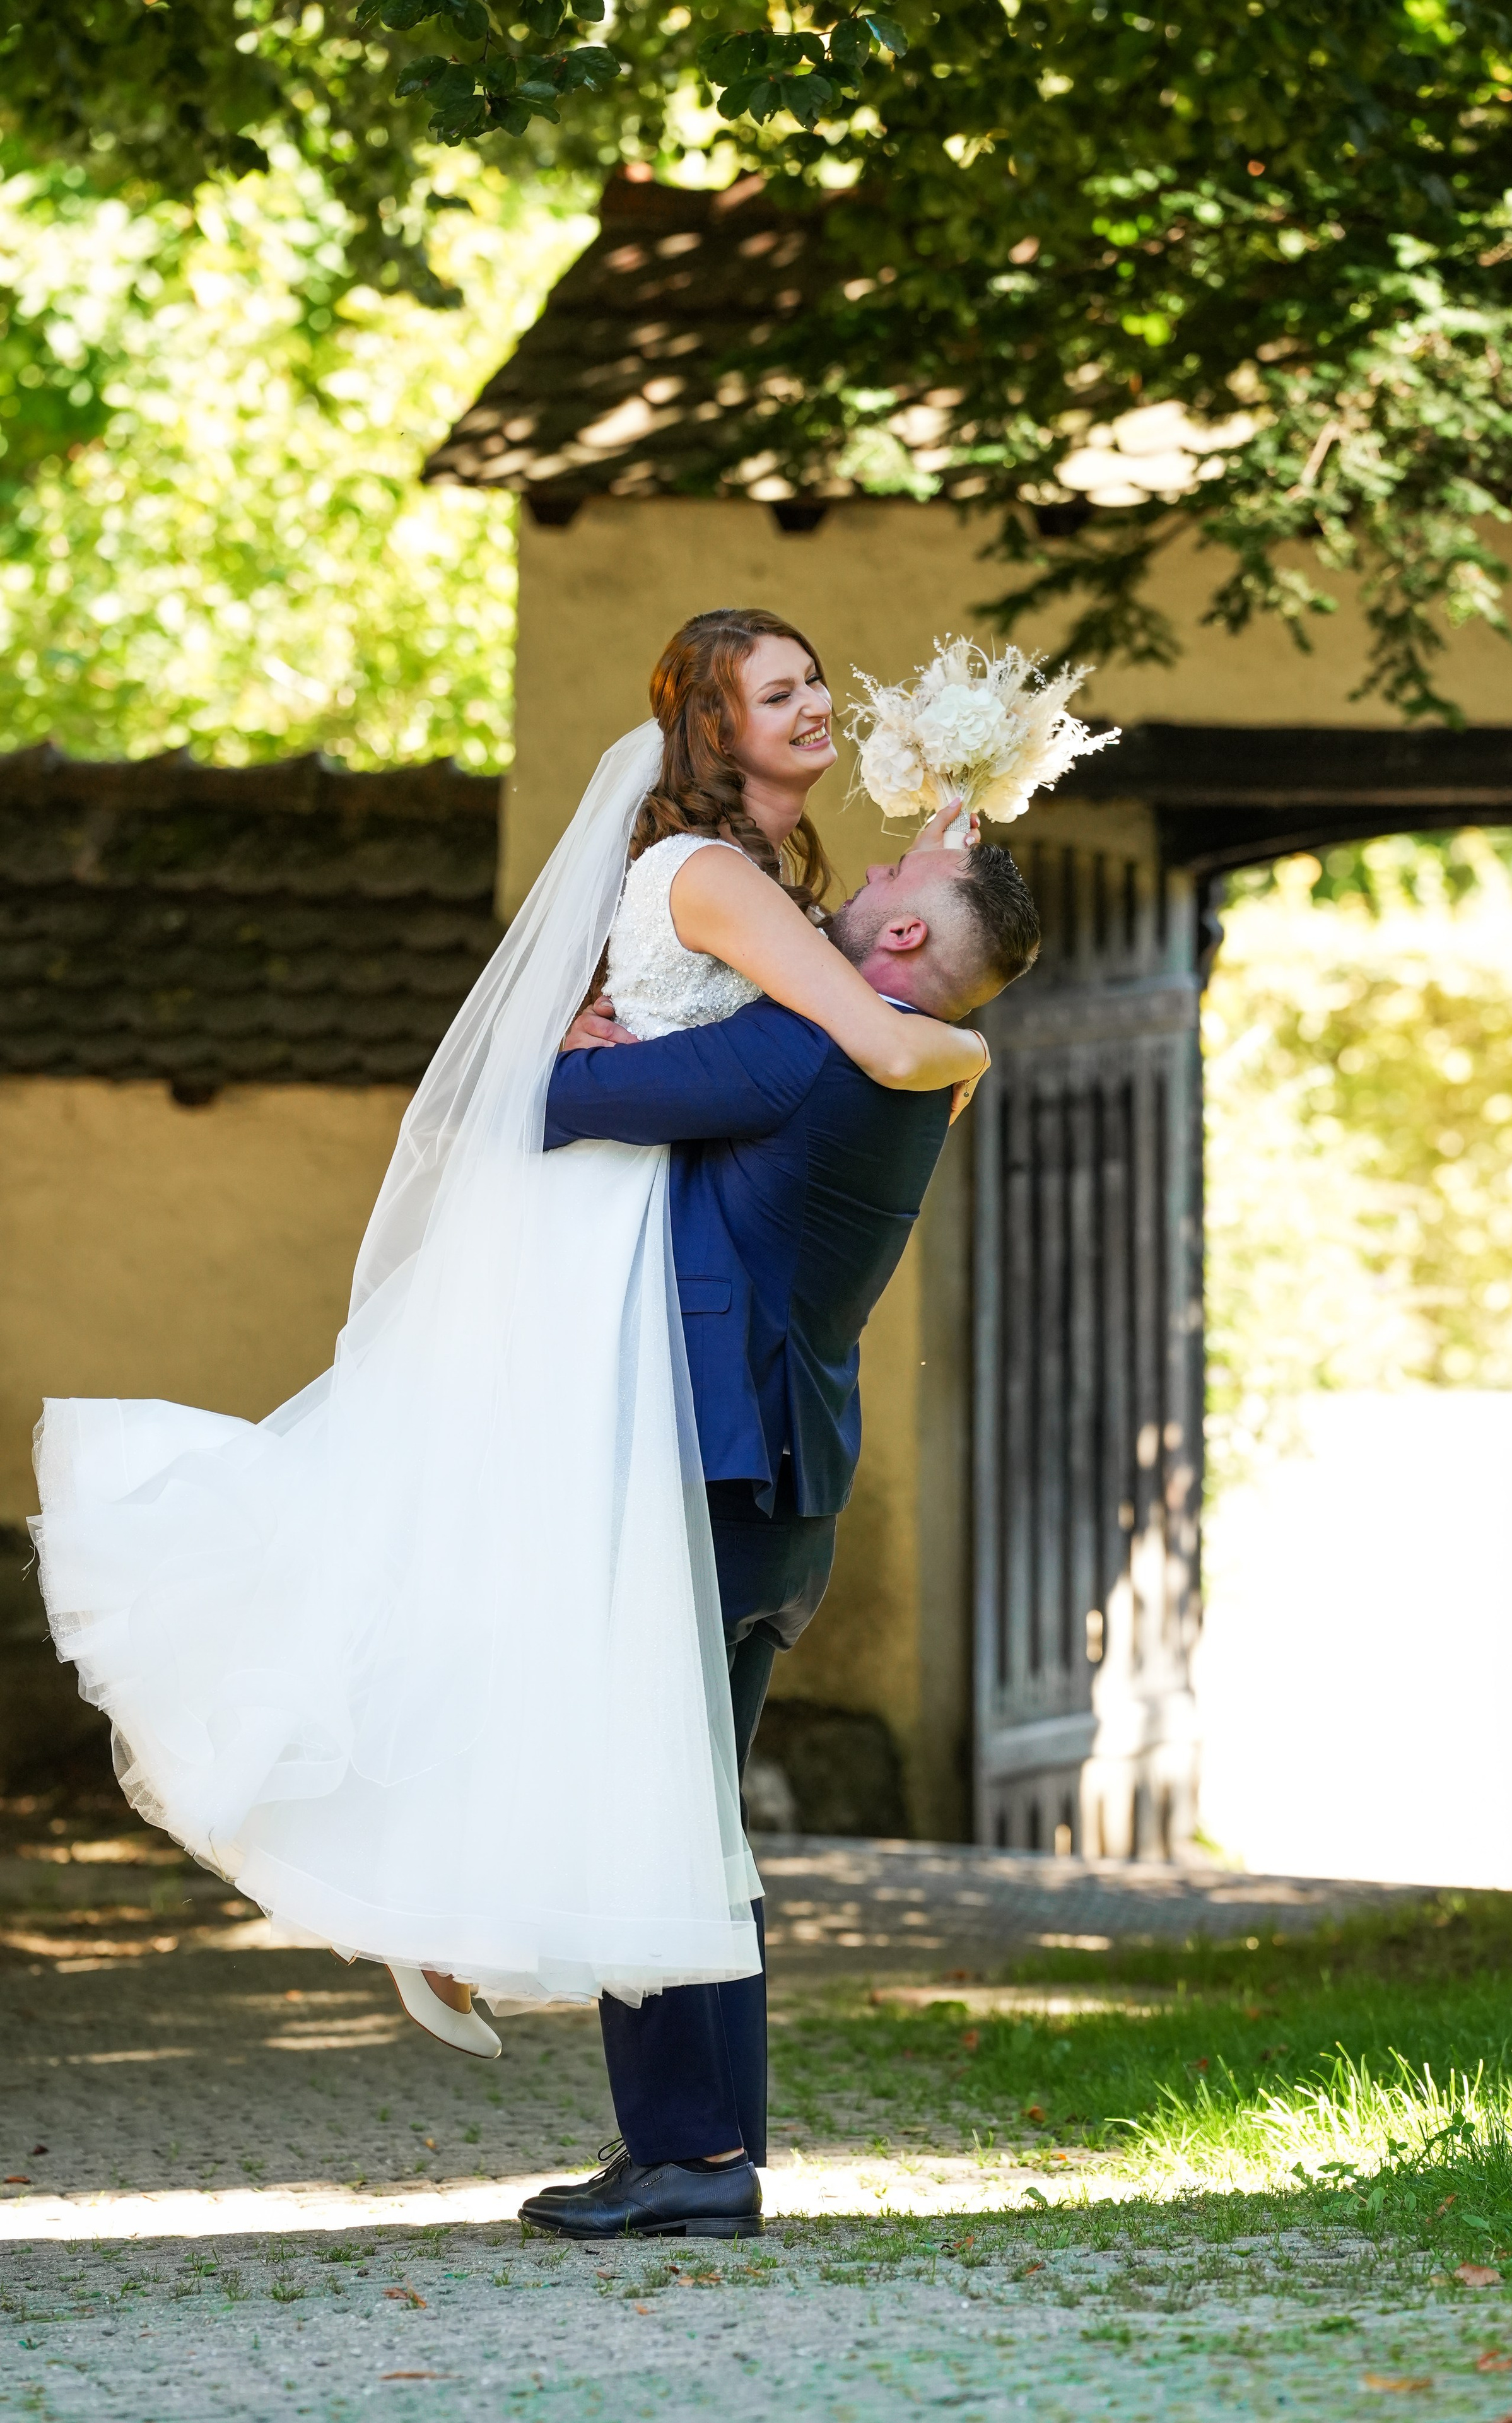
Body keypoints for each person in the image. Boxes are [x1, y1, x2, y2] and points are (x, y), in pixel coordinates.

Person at [26, 607, 994, 2062]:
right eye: (777, 691)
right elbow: (866, 1035)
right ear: (713, 729)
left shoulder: (763, 884)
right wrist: (965, 1039)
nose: (814, 708)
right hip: (597, 1232)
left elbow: (819, 1011)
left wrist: (943, 836)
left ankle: (465, 1902)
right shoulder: (715, 877)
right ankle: (461, 1900)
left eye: (813, 685)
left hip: (630, 1226)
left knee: (522, 1613)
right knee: (504, 1591)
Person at [513, 628, 1042, 2241]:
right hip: (782, 1482)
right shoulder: (915, 1062)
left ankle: (688, 2156)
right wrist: (956, 846)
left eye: (881, 882)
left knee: (653, 1799)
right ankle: (707, 2144)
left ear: (884, 939)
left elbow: (540, 1106)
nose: (862, 870)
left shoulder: (794, 1043)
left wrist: (581, 1047)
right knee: (701, 1804)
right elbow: (903, 930)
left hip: (706, 1463)